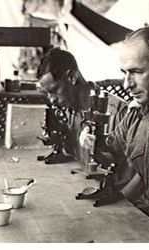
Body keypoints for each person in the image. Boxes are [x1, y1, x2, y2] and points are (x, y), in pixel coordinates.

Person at [80, 26, 149, 232]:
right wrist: (92, 140)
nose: (126, 84)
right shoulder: (135, 117)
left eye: (137, 72)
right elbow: (111, 155)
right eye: (124, 73)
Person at [37, 47, 133, 191]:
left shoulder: (117, 112)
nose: (52, 100)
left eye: (54, 91)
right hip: (84, 186)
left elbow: (135, 171)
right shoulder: (69, 109)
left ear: (71, 77)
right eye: (47, 94)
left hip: (117, 197)